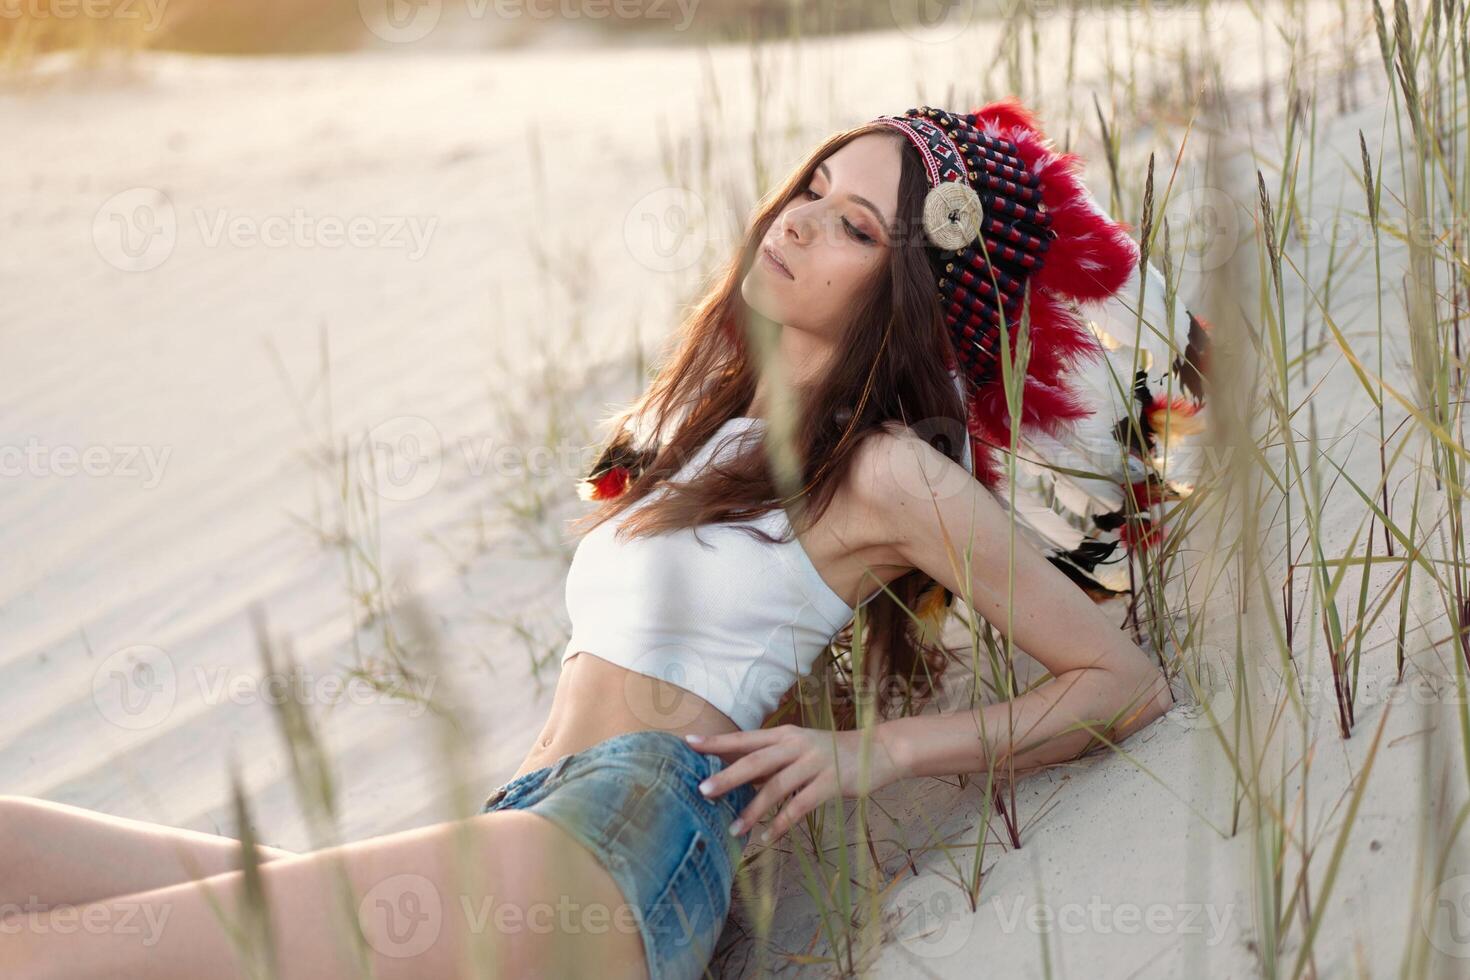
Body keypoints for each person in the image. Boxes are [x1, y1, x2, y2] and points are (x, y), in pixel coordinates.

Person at [0, 99, 1180, 980]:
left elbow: (1119, 681)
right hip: (534, 810)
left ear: (905, 289)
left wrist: (877, 753)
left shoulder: (883, 466)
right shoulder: (708, 432)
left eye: (855, 225)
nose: (800, 222)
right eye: (813, 187)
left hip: (635, 821)